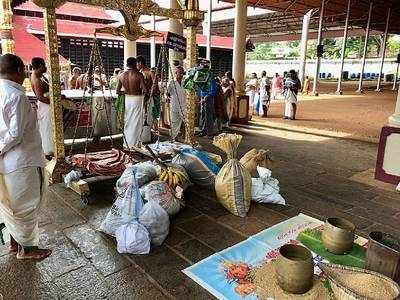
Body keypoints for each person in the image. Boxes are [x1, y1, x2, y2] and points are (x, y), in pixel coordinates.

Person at [0, 53, 52, 260]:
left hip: (8, 162)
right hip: (22, 161)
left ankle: (15, 244)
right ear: (20, 71)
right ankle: (27, 249)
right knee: (27, 204)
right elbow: (14, 134)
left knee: (12, 203)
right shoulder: (17, 96)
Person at [116, 57, 148, 148]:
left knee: (128, 120)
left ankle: (126, 144)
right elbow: (145, 90)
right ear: (135, 64)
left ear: (127, 64)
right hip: (137, 99)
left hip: (128, 99)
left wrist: (126, 92)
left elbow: (117, 91)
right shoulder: (139, 74)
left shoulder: (121, 75)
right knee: (136, 122)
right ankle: (134, 144)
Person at [30, 57, 54, 158]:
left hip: (46, 105)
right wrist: (54, 103)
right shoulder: (37, 79)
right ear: (40, 66)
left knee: (49, 127)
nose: (45, 67)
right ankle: (48, 150)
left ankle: (50, 148)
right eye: (44, 65)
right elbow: (40, 97)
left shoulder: (40, 76)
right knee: (47, 128)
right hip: (45, 106)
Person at [166, 66, 186, 142]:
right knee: (174, 123)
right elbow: (167, 93)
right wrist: (167, 98)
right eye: (179, 73)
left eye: (182, 73)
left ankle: (185, 137)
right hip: (174, 105)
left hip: (183, 105)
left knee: (185, 121)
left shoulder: (185, 82)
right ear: (176, 73)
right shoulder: (171, 82)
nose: (180, 75)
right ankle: (174, 137)